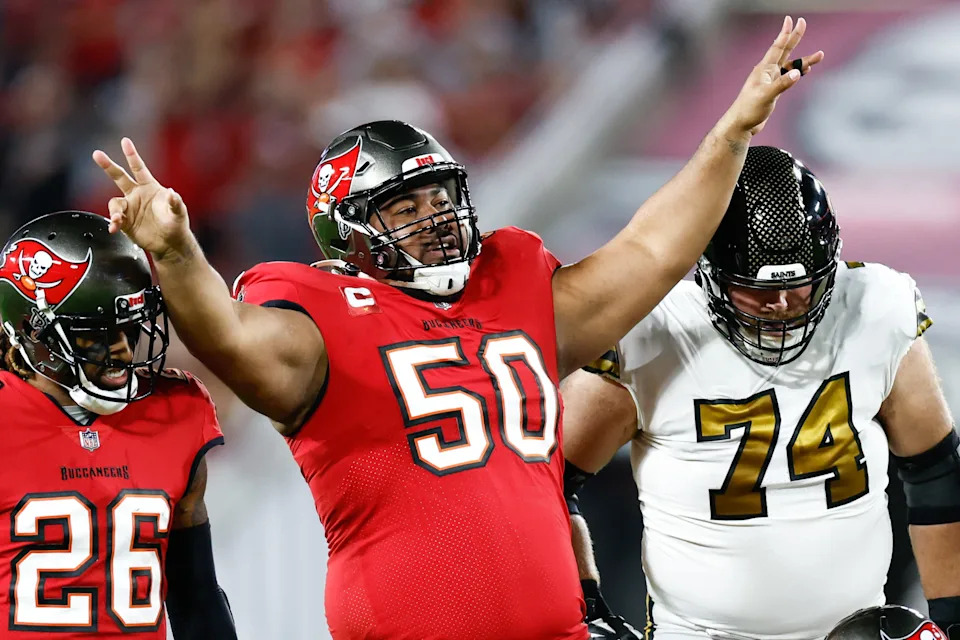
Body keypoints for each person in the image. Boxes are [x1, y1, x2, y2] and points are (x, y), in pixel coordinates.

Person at [92, 17, 822, 640]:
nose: (435, 218)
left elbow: (652, 251)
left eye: (439, 196)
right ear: (348, 237)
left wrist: (733, 131)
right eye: (404, 208)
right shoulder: (317, 321)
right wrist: (177, 252)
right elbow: (228, 337)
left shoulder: (514, 289)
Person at [561, 146, 959, 640]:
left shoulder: (875, 308)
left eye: (800, 287)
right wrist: (587, 607)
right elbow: (546, 484)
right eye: (756, 289)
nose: (781, 305)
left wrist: (953, 616)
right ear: (708, 269)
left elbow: (936, 471)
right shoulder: (652, 332)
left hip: (855, 628)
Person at [0, 211, 236, 639]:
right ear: (34, 334)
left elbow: (195, 598)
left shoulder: (176, 410)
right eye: (98, 332)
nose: (125, 351)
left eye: (128, 327)